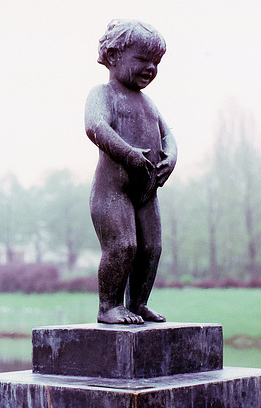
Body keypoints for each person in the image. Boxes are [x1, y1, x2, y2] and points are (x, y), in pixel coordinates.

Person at [85, 19, 177, 324]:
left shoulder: (148, 104)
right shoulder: (104, 94)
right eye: (142, 59)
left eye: (156, 62)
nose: (150, 68)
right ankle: (108, 305)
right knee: (123, 246)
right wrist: (128, 154)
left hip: (146, 192)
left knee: (152, 248)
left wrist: (171, 158)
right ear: (113, 57)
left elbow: (168, 136)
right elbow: (95, 126)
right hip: (113, 193)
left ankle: (138, 303)